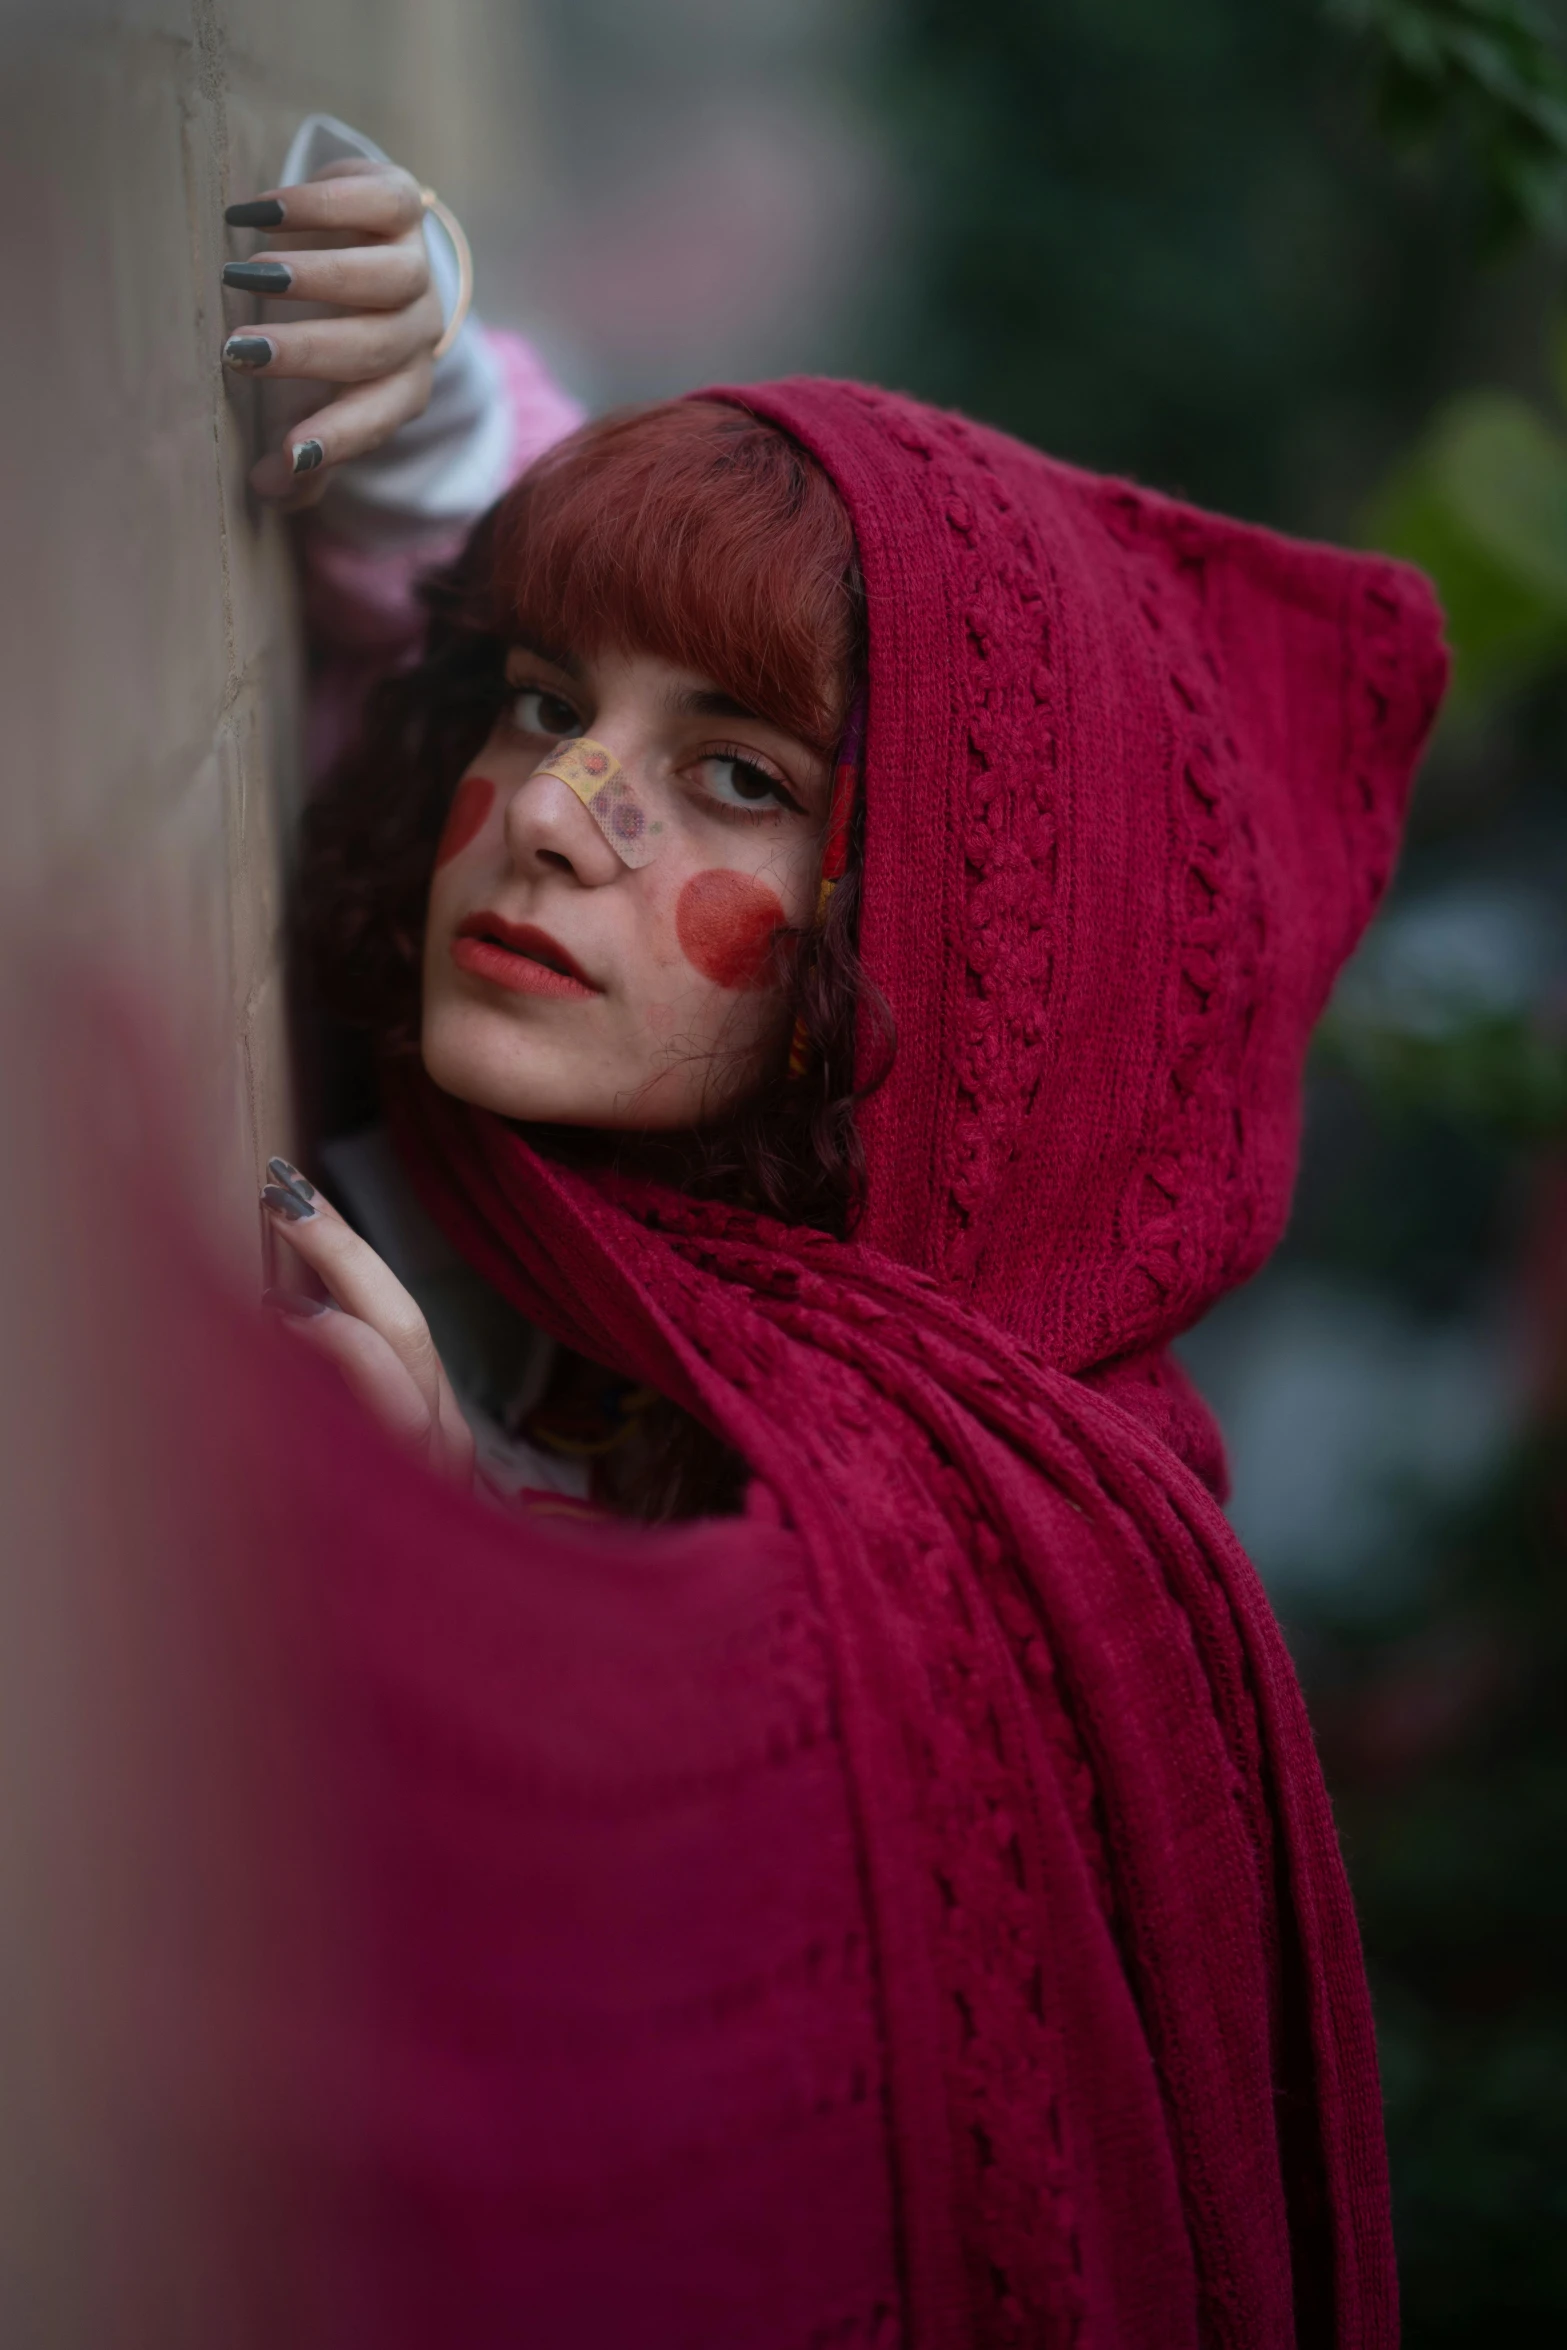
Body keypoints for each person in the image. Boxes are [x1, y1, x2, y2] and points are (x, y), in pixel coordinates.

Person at [208, 124, 1448, 2345]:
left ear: (966, 964)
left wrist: (470, 1580)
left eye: (745, 779)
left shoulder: (1065, 1568)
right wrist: (431, 416)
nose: (571, 814)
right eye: (548, 705)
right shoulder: (480, 1195)